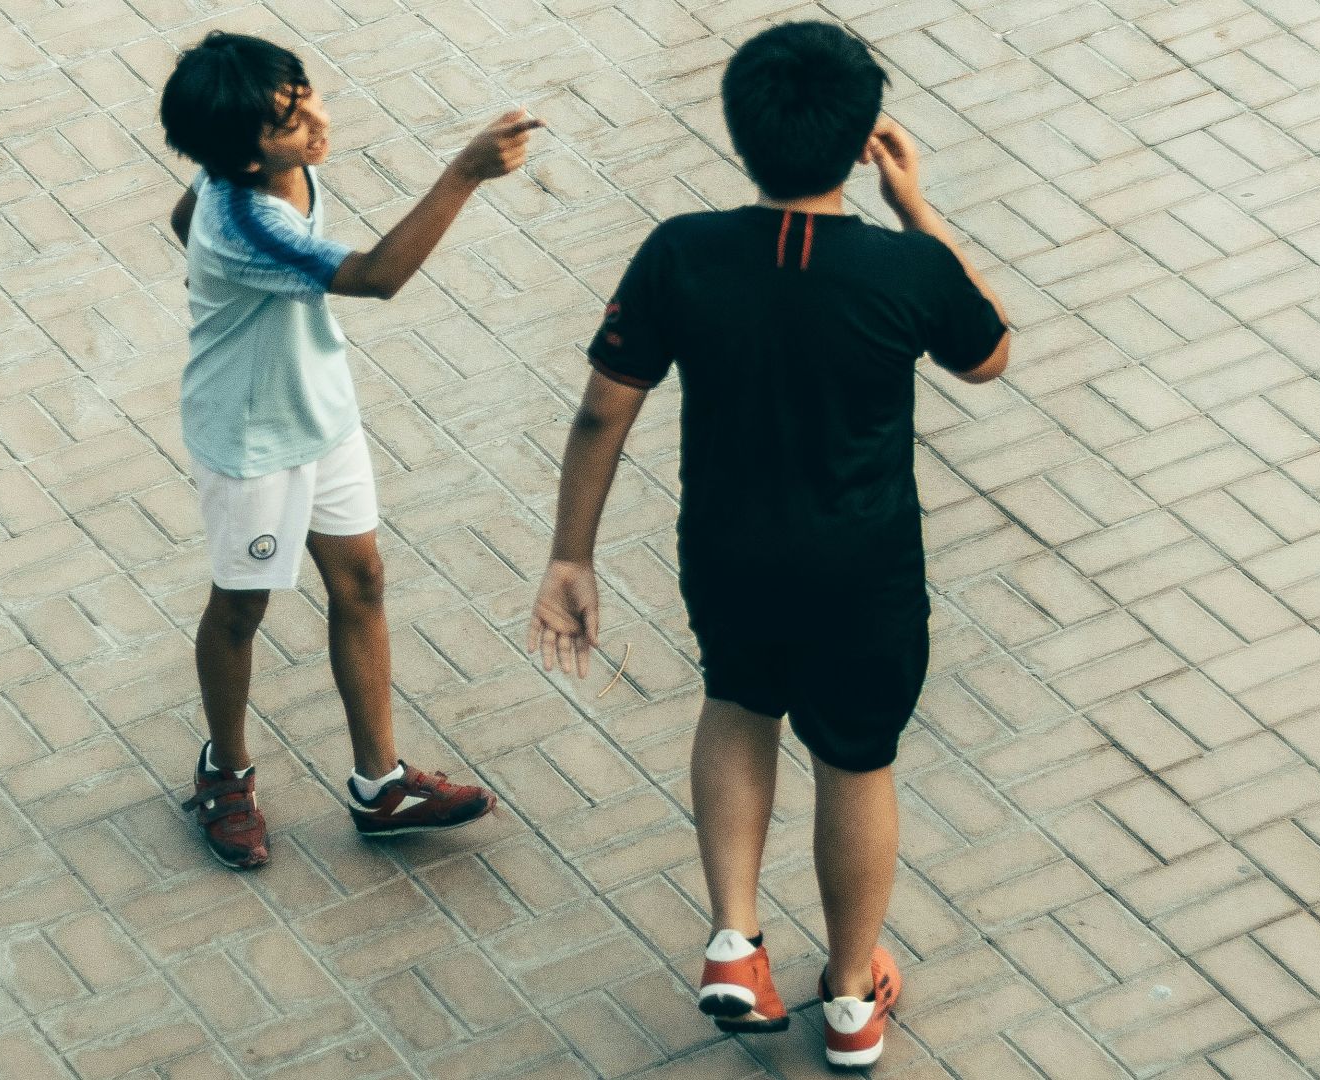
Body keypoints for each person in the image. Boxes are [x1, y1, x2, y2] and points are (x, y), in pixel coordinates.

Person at [527, 22, 1011, 1069]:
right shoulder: (904, 270)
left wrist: (573, 554)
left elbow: (602, 413)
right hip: (865, 570)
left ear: (741, 133)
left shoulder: (682, 253)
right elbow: (991, 355)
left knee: (739, 706)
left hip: (729, 552)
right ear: (856, 142)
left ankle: (736, 946)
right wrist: (918, 211)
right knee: (856, 758)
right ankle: (848, 999)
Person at [159, 31, 540, 869]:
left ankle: (381, 785)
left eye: (308, 99)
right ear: (246, 159)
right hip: (252, 444)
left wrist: (201, 279)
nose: (319, 123)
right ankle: (224, 772)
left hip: (320, 414)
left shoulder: (234, 168)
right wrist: (465, 172)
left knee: (361, 581)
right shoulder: (252, 219)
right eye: (294, 124)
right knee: (242, 608)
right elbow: (375, 276)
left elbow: (180, 214)